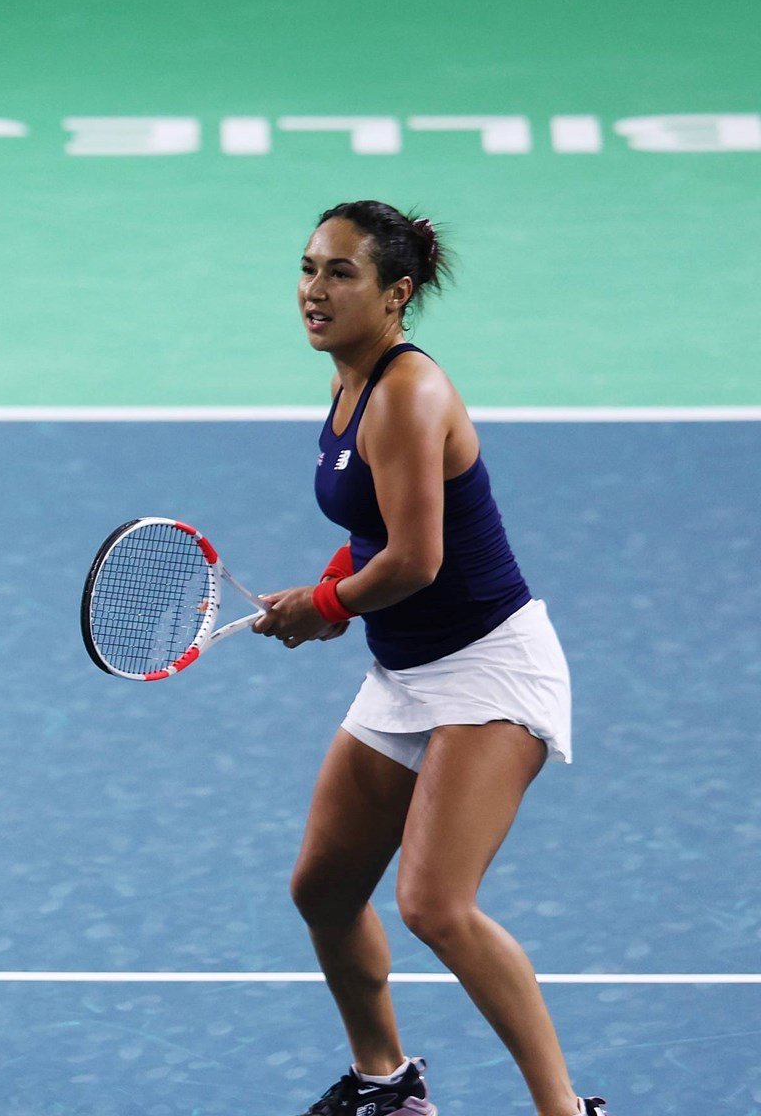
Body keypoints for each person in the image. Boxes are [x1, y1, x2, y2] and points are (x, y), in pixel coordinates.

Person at [252, 202, 605, 1116]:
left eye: (341, 274)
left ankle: (566, 1113)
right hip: (408, 672)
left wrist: (324, 604)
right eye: (308, 267)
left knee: (435, 904)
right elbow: (377, 529)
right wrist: (331, 589)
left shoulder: (408, 391)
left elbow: (417, 559)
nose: (313, 291)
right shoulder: (347, 383)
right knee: (325, 890)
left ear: (397, 293)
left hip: (489, 666)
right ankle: (389, 1086)